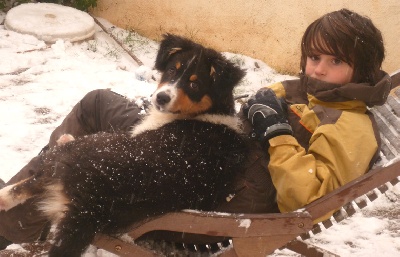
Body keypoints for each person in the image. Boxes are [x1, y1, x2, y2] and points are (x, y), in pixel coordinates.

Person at [0, 8, 396, 249]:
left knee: (93, 172)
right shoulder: (312, 92)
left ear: (359, 69)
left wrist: (277, 131)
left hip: (217, 191)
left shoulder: (352, 126)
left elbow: (305, 197)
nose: (318, 69)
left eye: (333, 61)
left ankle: (13, 221)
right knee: (97, 103)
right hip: (201, 146)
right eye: (313, 57)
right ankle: (37, 186)